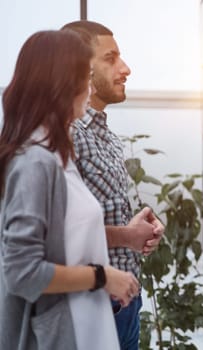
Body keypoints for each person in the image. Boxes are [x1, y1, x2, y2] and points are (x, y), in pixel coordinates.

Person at [0, 30, 140, 350]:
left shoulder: (56, 154)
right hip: (61, 334)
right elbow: (22, 272)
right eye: (84, 77)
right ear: (63, 84)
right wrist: (102, 277)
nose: (89, 87)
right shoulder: (36, 161)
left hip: (85, 327)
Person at [60, 20, 164, 350]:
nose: (126, 68)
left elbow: (105, 213)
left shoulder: (107, 136)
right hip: (92, 307)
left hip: (127, 305)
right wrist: (127, 236)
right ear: (80, 68)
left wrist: (143, 232)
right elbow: (55, 232)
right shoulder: (65, 134)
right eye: (111, 58)